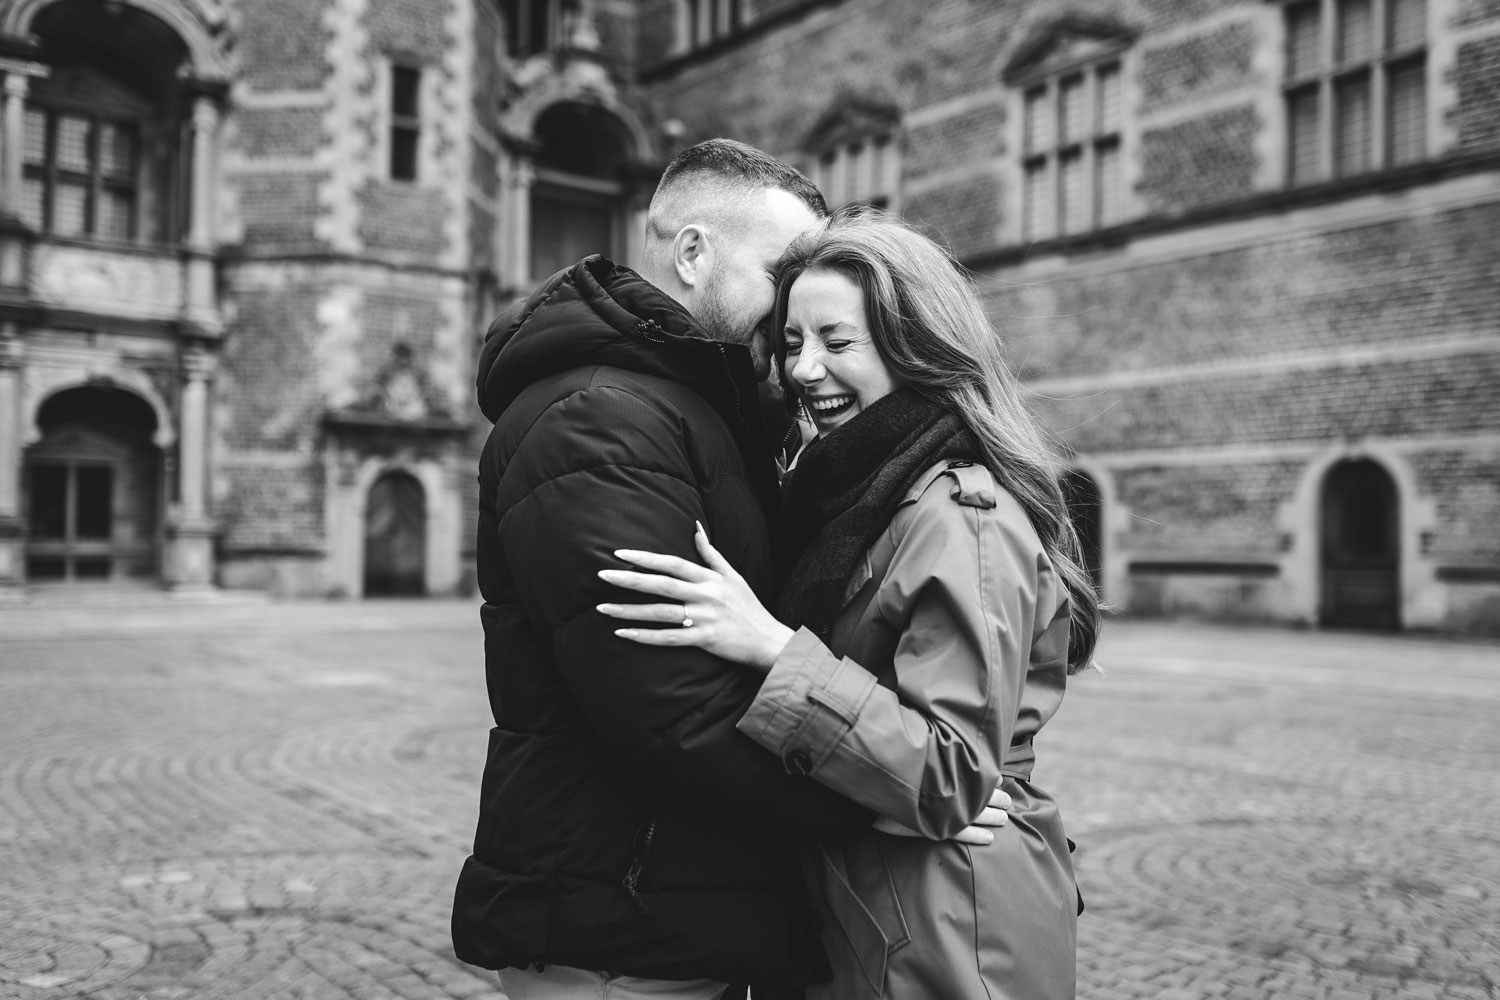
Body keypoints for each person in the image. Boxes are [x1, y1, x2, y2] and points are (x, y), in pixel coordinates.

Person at [450, 141, 1005, 1000]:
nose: (793, 313)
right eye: (783, 272)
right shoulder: (599, 417)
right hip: (620, 928)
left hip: (672, 905)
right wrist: (896, 797)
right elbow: (669, 703)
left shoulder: (693, 405)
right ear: (693, 251)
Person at [598, 213, 1100, 999]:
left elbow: (950, 774)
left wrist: (772, 648)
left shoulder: (960, 517)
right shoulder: (860, 492)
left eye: (837, 342)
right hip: (874, 901)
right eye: (793, 342)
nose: (804, 369)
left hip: (950, 921)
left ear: (916, 347)